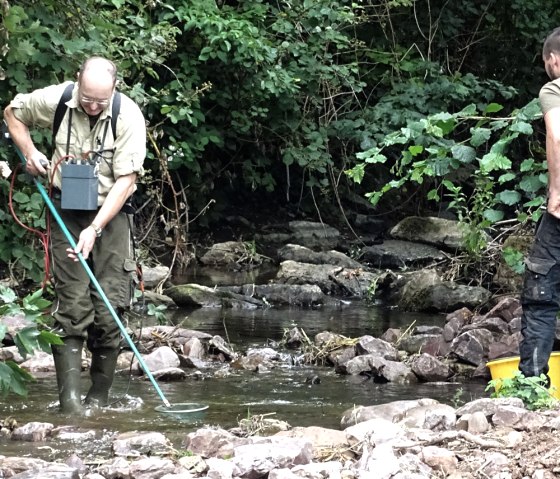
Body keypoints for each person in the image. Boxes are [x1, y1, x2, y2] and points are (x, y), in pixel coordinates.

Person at [3, 56, 146, 413]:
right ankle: (70, 403)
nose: (94, 106)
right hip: (65, 212)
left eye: (101, 100)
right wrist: (30, 151)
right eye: (87, 98)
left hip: (111, 218)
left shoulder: (128, 116)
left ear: (114, 89)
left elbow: (127, 182)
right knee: (72, 305)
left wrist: (96, 229)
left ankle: (98, 400)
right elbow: (12, 112)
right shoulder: (58, 99)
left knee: (110, 305)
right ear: (78, 82)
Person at [519, 27, 560, 384]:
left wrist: (557, 192)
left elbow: (557, 134)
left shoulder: (554, 88)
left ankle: (532, 386)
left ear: (554, 59)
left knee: (540, 292)